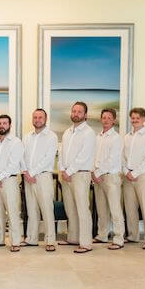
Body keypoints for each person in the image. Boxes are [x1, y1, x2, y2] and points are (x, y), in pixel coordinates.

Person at [57, 101, 96, 253]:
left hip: (80, 174)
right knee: (70, 208)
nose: (76, 114)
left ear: (85, 115)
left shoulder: (89, 133)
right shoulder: (67, 132)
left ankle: (86, 243)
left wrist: (70, 171)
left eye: (79, 112)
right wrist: (62, 169)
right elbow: (61, 152)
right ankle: (73, 238)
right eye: (74, 111)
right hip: (66, 175)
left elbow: (83, 156)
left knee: (82, 209)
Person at [0, 114, 24, 252]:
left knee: (12, 212)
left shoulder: (16, 142)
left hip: (9, 181)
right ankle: (0, 239)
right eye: (0, 123)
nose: (2, 125)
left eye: (5, 123)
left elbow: (13, 164)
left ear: (9, 125)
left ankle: (15, 242)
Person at [22, 108, 58, 252]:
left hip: (42, 176)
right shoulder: (27, 136)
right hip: (28, 177)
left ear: (45, 119)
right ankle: (31, 238)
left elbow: (48, 158)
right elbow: (22, 156)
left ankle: (50, 240)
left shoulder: (51, 136)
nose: (37, 120)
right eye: (35, 117)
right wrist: (26, 172)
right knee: (32, 209)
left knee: (47, 209)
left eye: (40, 117)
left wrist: (32, 172)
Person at [122, 107, 145, 249]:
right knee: (130, 207)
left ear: (143, 119)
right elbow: (122, 157)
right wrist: (126, 172)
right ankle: (132, 236)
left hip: (143, 175)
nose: (135, 120)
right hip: (128, 176)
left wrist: (135, 173)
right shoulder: (127, 137)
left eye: (138, 118)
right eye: (133, 118)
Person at [92, 108, 125, 250]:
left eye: (109, 118)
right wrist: (94, 173)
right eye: (103, 117)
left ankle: (118, 238)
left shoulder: (116, 138)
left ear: (114, 120)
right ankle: (102, 235)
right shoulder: (97, 137)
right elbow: (93, 157)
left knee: (115, 209)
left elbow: (112, 160)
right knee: (102, 209)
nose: (105, 120)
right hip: (97, 177)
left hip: (111, 177)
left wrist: (98, 172)